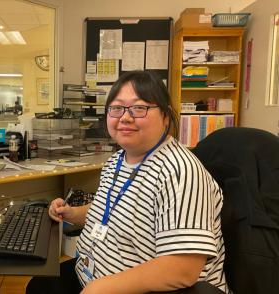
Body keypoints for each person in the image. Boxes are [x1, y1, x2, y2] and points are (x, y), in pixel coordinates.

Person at [26, 71, 228, 294]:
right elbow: (111, 208)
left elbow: (182, 269)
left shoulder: (180, 171)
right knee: (39, 285)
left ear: (165, 116)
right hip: (91, 275)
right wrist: (72, 213)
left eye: (139, 108)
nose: (125, 117)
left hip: (153, 289)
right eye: (117, 108)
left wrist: (99, 288)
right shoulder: (118, 159)